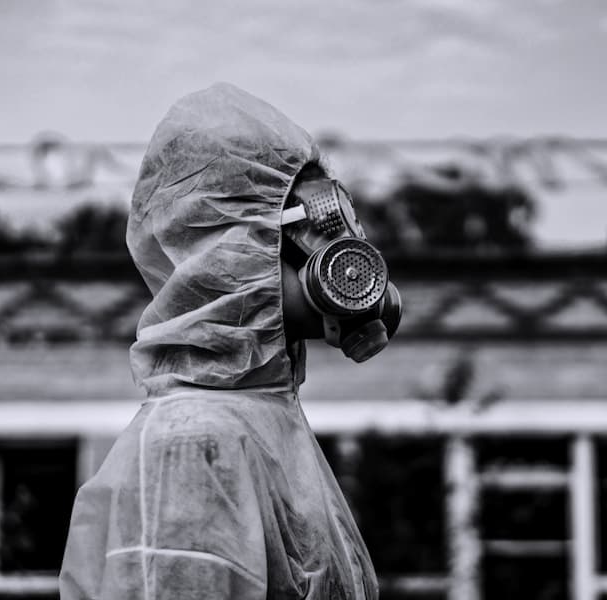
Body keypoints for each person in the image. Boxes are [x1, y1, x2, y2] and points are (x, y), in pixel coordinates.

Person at [59, 82, 400, 599]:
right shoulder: (195, 445)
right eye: (323, 221)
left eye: (347, 221)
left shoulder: (261, 422)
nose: (349, 246)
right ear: (234, 244)